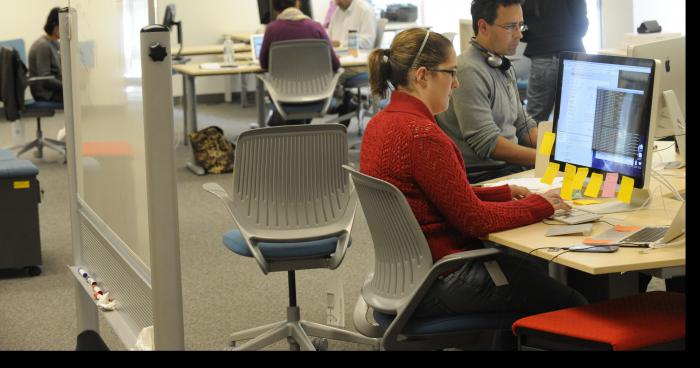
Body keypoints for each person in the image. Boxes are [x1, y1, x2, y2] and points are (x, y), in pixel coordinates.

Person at [360, 28, 587, 333]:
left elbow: (441, 196)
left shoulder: (380, 124)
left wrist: (504, 193)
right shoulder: (422, 136)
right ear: (422, 76)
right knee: (575, 304)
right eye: (450, 72)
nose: (456, 82)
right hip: (442, 278)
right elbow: (473, 220)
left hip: (405, 275)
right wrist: (540, 205)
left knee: (527, 272)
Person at [436, 0, 537, 184]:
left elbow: (523, 125)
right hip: (484, 177)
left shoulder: (502, 64)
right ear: (483, 27)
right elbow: (487, 144)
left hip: (508, 170)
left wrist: (559, 149)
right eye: (510, 27)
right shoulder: (469, 71)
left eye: (520, 25)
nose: (519, 34)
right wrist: (542, 159)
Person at [259, 0, 340, 125]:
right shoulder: (316, 27)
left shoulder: (271, 30)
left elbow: (264, 64)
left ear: (275, 8)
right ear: (297, 3)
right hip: (318, 95)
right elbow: (335, 65)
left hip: (283, 96)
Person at [522, 0, 588, 123]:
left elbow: (520, 28)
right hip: (572, 59)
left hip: (542, 56)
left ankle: (544, 143)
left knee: (535, 119)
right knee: (571, 118)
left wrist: (538, 36)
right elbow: (581, 27)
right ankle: (555, 142)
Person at [327, 0, 378, 126]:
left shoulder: (364, 10)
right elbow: (330, 37)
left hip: (359, 65)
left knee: (325, 74)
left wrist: (341, 44)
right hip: (342, 62)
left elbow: (367, 42)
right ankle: (345, 101)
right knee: (323, 70)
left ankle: (340, 102)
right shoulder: (337, 12)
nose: (335, 2)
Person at [28, 7, 63, 103]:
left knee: (77, 94)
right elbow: (45, 80)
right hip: (45, 93)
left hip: (53, 89)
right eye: (63, 26)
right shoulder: (43, 46)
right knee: (76, 97)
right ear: (55, 26)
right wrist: (66, 86)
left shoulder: (55, 44)